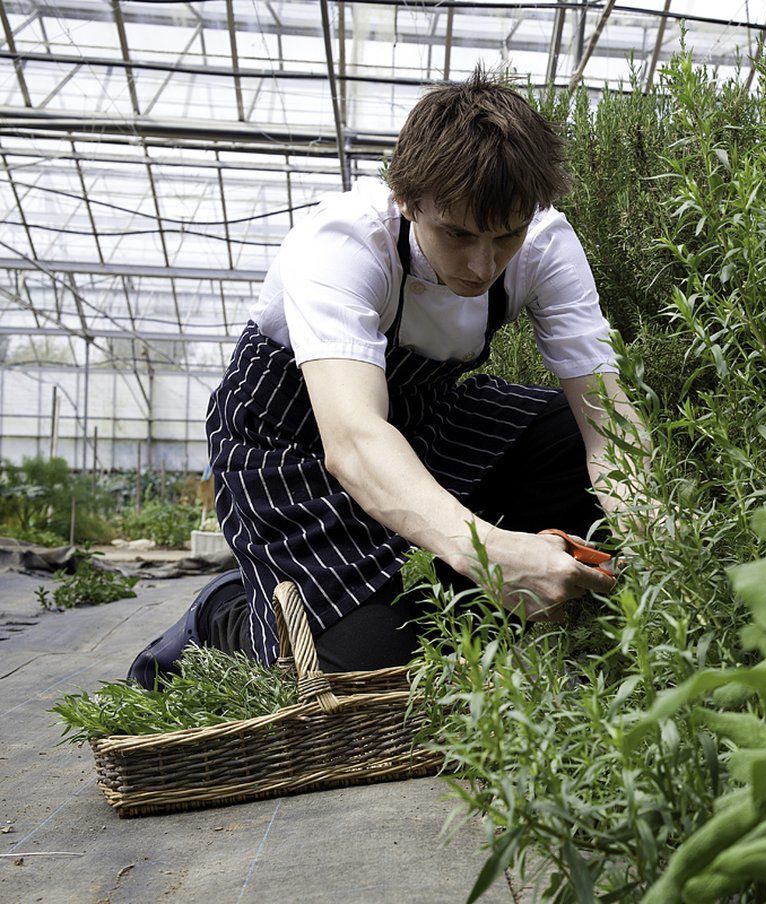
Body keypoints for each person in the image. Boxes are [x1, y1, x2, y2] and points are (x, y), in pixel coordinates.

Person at [129, 71, 644, 685]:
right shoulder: (344, 240)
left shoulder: (544, 243)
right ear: (407, 197)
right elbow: (353, 439)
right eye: (457, 234)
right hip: (295, 440)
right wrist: (492, 552)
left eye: (505, 236)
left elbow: (608, 432)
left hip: (424, 419)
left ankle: (456, 586)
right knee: (364, 666)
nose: (483, 265)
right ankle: (231, 611)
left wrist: (662, 544)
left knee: (561, 436)